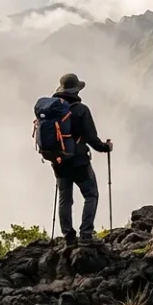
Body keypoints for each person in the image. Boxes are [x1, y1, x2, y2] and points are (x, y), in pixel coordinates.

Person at [50, 73, 112, 244]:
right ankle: (86, 235)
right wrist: (106, 147)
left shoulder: (53, 110)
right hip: (79, 162)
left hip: (58, 162)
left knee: (65, 198)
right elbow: (92, 139)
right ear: (76, 90)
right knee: (91, 194)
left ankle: (69, 237)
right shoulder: (81, 110)